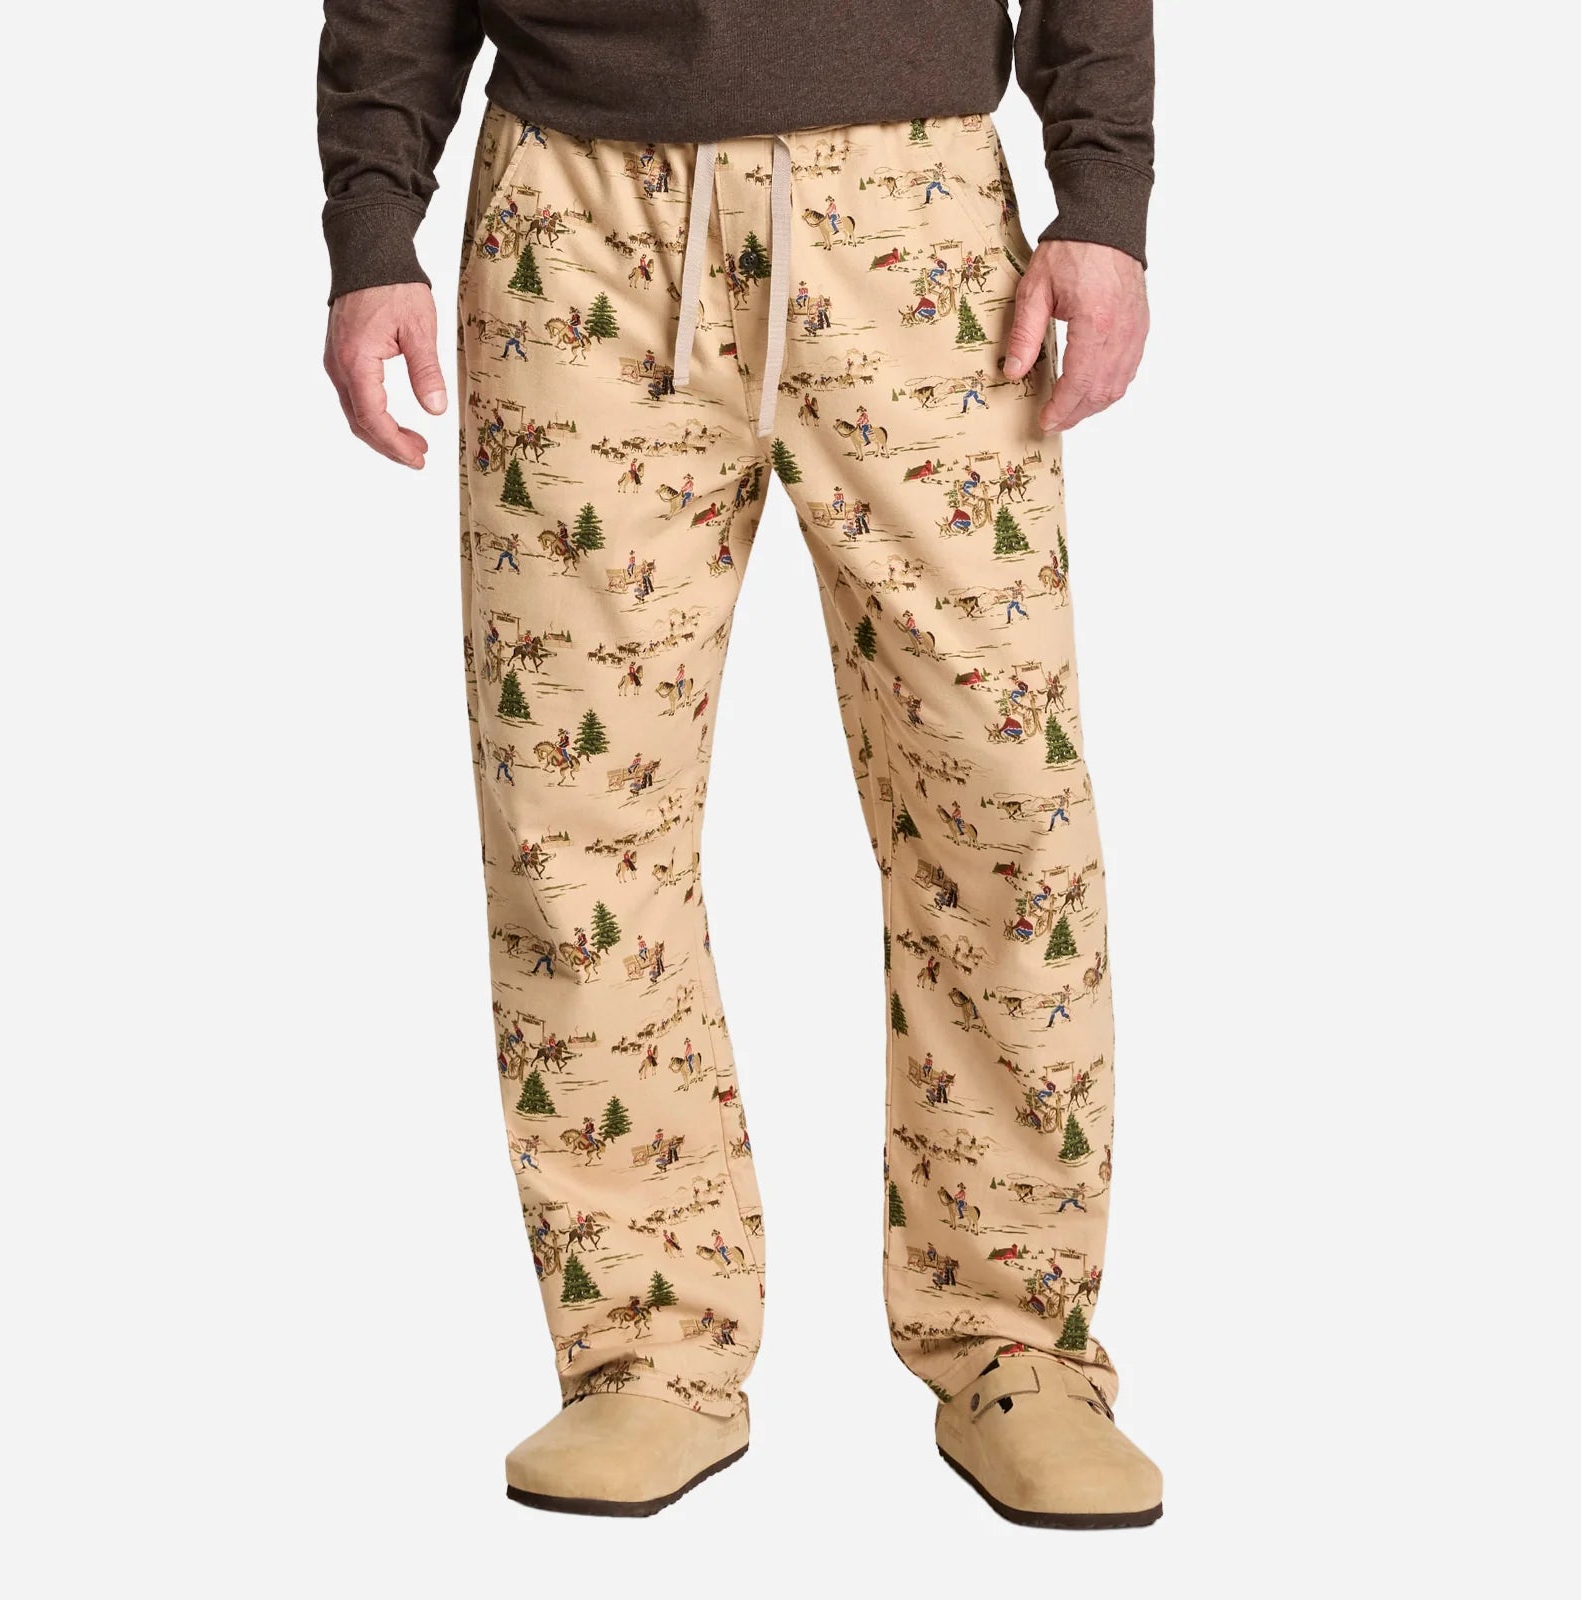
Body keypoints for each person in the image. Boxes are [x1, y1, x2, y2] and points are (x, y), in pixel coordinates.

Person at [319, 0, 1159, 1532]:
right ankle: (645, 1353)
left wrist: (1101, 196)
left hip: (911, 209)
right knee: (573, 824)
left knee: (1002, 799)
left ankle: (1020, 1348)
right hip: (577, 214)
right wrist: (375, 221)